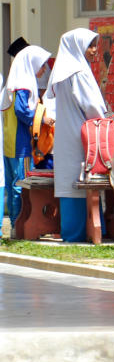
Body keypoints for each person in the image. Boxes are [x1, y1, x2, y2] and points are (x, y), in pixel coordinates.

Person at [49, 28, 107, 242]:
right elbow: (92, 107)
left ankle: (72, 232)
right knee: (85, 180)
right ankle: (88, 231)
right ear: (77, 47)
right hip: (82, 135)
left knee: (70, 180)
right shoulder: (79, 72)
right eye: (90, 46)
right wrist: (107, 118)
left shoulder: (64, 70)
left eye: (94, 45)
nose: (94, 50)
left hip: (66, 134)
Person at [3, 45, 52, 235]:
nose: (43, 69)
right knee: (21, 185)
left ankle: (17, 225)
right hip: (20, 143)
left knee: (12, 183)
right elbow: (22, 111)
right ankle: (19, 226)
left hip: (10, 141)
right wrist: (42, 119)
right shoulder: (24, 85)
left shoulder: (14, 82)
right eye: (41, 65)